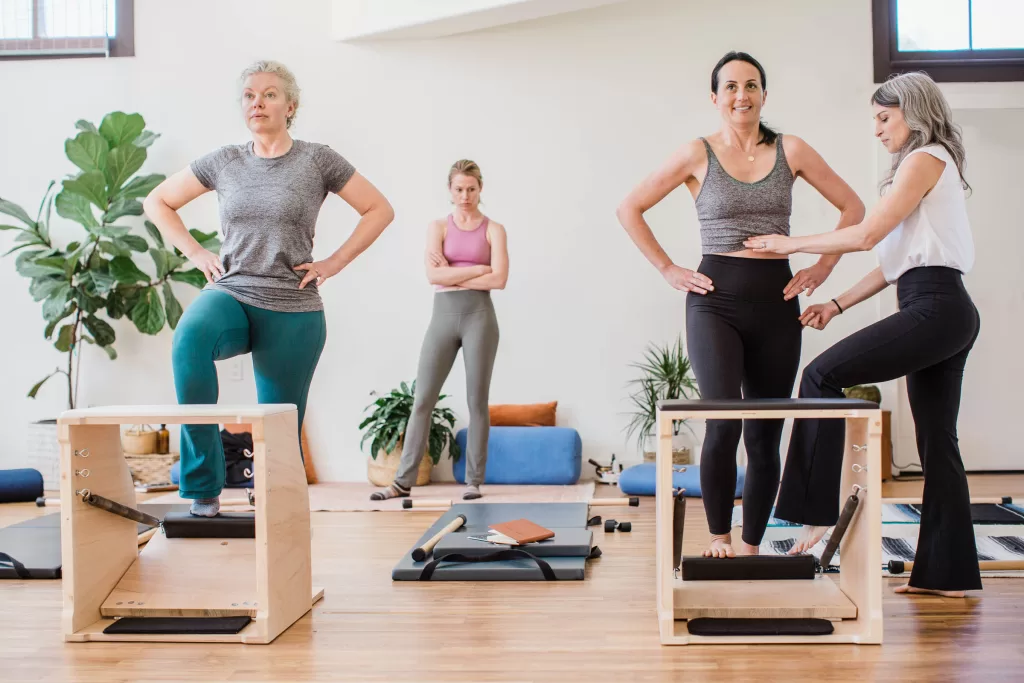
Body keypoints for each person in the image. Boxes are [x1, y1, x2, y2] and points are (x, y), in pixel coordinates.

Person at [616, 51, 864, 558]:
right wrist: (668, 268)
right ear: (715, 97)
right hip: (715, 302)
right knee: (724, 421)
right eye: (730, 87)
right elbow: (630, 207)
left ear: (764, 95)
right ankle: (719, 540)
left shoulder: (791, 149)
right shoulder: (695, 153)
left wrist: (820, 267)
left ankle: (751, 547)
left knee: (765, 432)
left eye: (751, 86)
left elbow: (854, 208)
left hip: (776, 301)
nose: (741, 95)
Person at [746, 72, 980, 597]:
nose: (876, 129)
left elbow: (867, 233)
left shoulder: (926, 157)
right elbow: (891, 263)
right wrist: (835, 303)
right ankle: (948, 576)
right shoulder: (920, 168)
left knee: (821, 375)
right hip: (941, 305)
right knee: (937, 444)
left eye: (884, 117)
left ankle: (812, 514)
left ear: (912, 111)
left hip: (937, 307)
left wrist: (791, 244)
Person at [143, 60, 395, 517]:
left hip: (293, 304)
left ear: (291, 105)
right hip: (234, 290)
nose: (257, 102)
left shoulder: (318, 159)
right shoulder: (224, 161)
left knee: (280, 421)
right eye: (249, 95)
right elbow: (157, 200)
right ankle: (203, 490)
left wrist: (334, 263)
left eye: (270, 94)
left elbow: (378, 208)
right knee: (190, 339)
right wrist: (196, 253)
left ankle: (276, 502)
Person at [371, 160, 508, 502]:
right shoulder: (438, 227)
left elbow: (500, 279)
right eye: (459, 189)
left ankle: (474, 482)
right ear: (450, 190)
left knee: (478, 402)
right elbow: (434, 277)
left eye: (471, 189)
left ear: (480, 189)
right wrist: (480, 268)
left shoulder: (494, 230)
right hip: (443, 317)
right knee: (423, 401)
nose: (465, 196)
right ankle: (402, 482)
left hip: (480, 318)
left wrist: (456, 272)